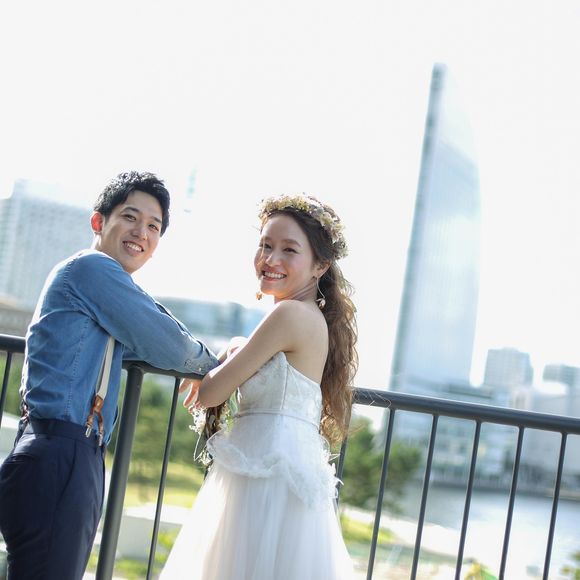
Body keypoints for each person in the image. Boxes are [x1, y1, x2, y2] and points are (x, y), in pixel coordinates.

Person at [0, 171, 219, 580]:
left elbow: (153, 336)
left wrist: (190, 360)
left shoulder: (102, 291)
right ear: (98, 221)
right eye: (130, 217)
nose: (142, 233)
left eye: (153, 226)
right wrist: (213, 366)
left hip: (65, 453)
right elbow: (169, 345)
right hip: (61, 454)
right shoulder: (90, 268)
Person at [162, 193, 358, 579]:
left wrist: (220, 359)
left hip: (264, 470)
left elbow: (211, 392)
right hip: (282, 464)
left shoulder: (289, 314)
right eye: (266, 245)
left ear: (320, 265)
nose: (271, 259)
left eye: (289, 249)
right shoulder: (308, 316)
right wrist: (238, 347)